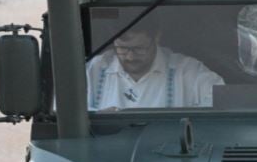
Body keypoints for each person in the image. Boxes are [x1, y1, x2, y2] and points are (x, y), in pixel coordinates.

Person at [86, 20, 224, 110]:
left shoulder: (187, 70)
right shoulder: (95, 69)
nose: (130, 57)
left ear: (157, 38)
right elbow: (69, 114)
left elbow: (222, 104)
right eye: (122, 49)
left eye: (139, 48)